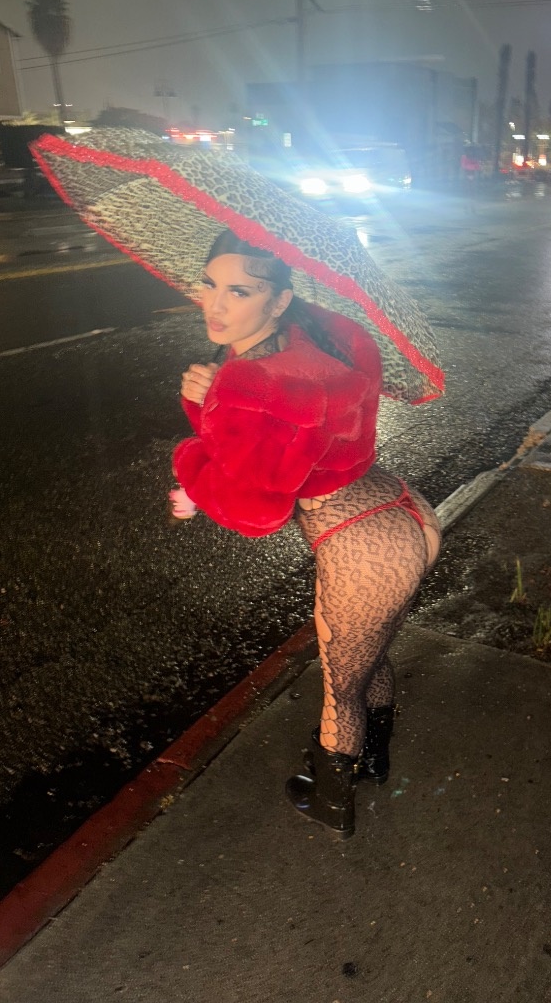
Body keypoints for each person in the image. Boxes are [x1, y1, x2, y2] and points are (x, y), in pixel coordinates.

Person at [170, 229, 441, 840]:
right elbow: (293, 444)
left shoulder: (249, 383)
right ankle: (374, 760)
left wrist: (194, 447)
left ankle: (331, 802)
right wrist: (216, 401)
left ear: (279, 300)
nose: (215, 304)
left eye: (240, 291)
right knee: (368, 656)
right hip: (402, 511)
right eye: (210, 284)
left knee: (341, 685)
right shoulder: (321, 342)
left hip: (363, 544)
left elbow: (257, 509)